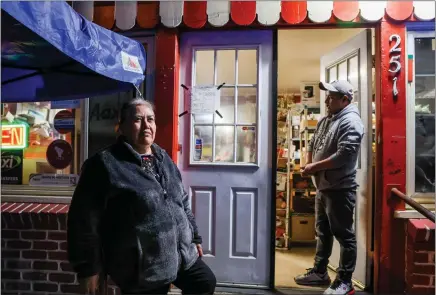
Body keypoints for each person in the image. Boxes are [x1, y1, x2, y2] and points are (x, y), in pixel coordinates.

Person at [67, 98, 216, 295]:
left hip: (180, 255)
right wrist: (88, 268)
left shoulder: (163, 158)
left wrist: (194, 237)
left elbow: (182, 201)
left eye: (151, 119)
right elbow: (83, 221)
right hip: (142, 267)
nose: (146, 125)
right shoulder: (104, 165)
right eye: (138, 119)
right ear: (121, 127)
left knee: (205, 283)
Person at [294, 80, 364, 295]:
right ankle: (320, 272)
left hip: (340, 189)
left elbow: (345, 154)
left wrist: (315, 166)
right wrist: (307, 162)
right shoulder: (327, 119)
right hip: (323, 187)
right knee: (322, 232)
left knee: (344, 235)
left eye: (331, 97)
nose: (326, 100)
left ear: (345, 100)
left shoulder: (351, 121)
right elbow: (314, 142)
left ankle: (345, 281)